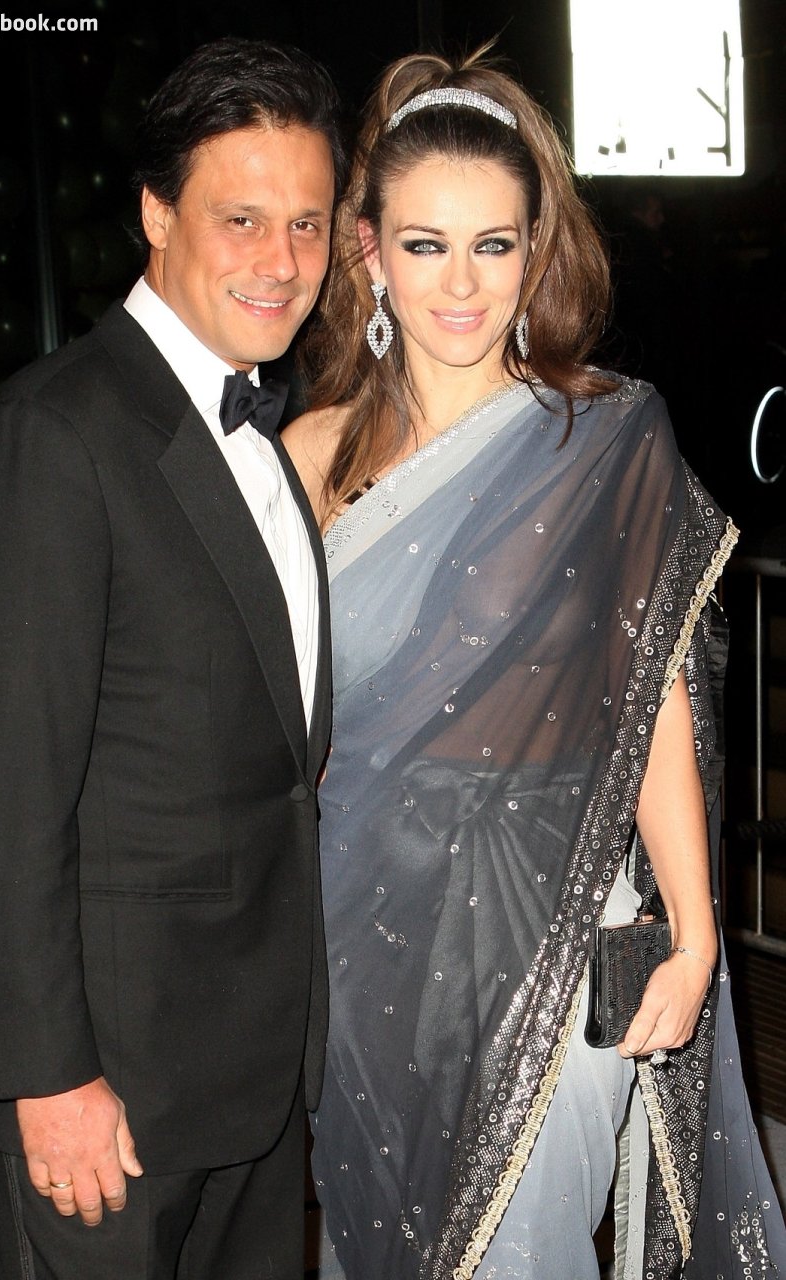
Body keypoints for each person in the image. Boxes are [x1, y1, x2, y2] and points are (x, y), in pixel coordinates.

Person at [284, 47, 786, 1280]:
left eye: (492, 245)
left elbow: (651, 704)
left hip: (555, 907)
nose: (460, 283)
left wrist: (693, 931)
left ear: (534, 252)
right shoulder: (305, 456)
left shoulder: (607, 435)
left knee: (521, 1244)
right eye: (424, 244)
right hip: (356, 923)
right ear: (368, 253)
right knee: (384, 1240)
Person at [0, 37, 344, 1280]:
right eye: (240, 219)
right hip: (106, 1084)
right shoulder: (54, 435)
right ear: (156, 214)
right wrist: (47, 1073)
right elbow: (1, 803)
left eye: (308, 223)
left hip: (249, 1063)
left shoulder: (258, 432)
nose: (282, 260)